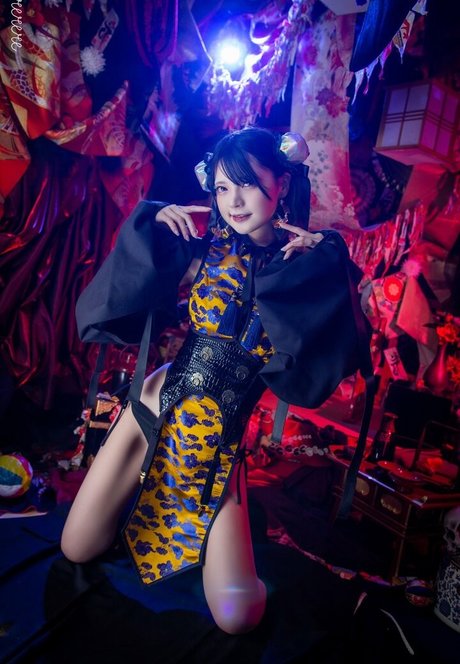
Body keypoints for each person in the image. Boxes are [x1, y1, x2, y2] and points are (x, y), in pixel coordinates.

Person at [61, 127, 371, 635]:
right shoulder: (205, 244)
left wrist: (327, 266)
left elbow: (334, 351)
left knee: (238, 618)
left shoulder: (306, 262)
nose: (234, 201)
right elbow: (128, 284)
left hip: (220, 437)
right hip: (156, 405)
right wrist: (153, 221)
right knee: (77, 547)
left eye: (247, 183)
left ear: (282, 183)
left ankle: (213, 536)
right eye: (223, 187)